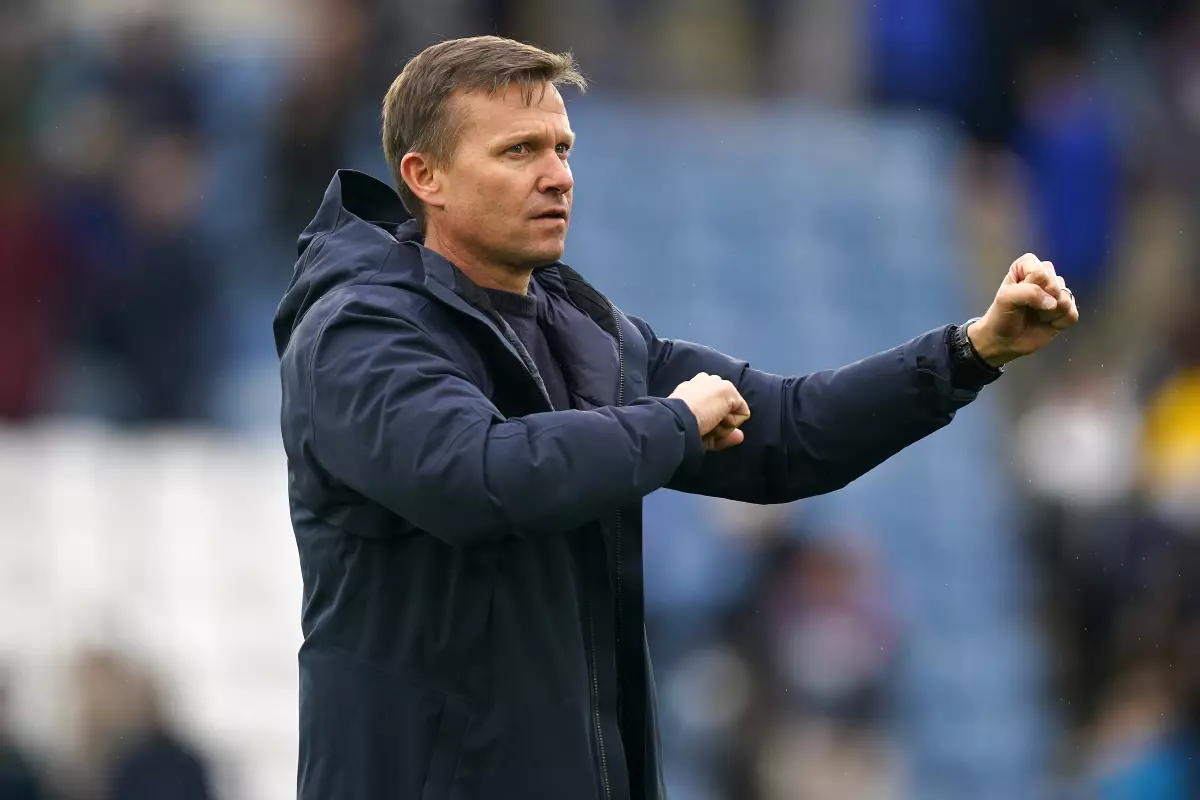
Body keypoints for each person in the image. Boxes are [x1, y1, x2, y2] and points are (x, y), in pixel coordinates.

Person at [273, 35, 1080, 800]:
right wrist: (668, 425)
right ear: (426, 176)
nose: (556, 175)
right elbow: (475, 476)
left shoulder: (581, 331)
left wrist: (972, 351)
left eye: (562, 149)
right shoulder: (359, 329)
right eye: (519, 151)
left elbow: (788, 433)